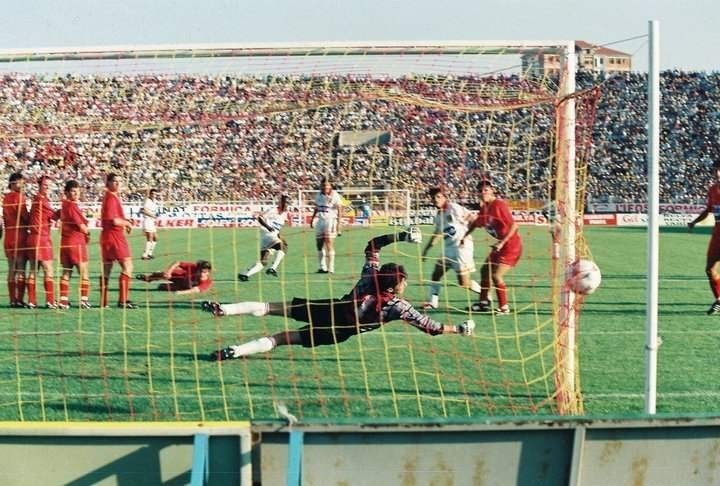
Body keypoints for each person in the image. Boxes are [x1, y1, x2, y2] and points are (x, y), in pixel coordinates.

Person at [203, 227, 475, 361]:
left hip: (331, 309)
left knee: (271, 307)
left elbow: (372, 245)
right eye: (404, 281)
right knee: (282, 338)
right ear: (394, 287)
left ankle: (224, 309)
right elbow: (431, 327)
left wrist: (402, 236)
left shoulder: (369, 277)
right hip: (340, 332)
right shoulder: (398, 306)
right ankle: (235, 351)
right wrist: (459, 329)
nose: (406, 284)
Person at [463, 178, 522, 315]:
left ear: (492, 191)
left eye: (486, 190)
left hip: (511, 246)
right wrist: (464, 236)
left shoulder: (499, 205)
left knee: (496, 275)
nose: (483, 192)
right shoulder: (485, 208)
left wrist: (501, 242)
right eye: (480, 190)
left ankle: (504, 307)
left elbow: (514, 225)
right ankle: (483, 303)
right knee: (485, 271)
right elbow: (476, 223)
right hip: (499, 246)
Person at [420, 186, 482, 310]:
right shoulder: (439, 216)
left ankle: (485, 294)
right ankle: (433, 302)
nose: (436, 200)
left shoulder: (454, 208)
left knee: (464, 283)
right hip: (448, 249)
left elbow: (473, 218)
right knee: (436, 274)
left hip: (461, 249)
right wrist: (426, 250)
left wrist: (466, 235)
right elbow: (437, 234)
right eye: (433, 198)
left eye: (438, 197)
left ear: (445, 197)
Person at [99, 173, 136, 309]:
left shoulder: (110, 197)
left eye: (119, 181)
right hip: (115, 236)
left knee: (107, 269)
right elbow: (114, 221)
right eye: (115, 181)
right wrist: (127, 223)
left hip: (106, 236)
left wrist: (125, 221)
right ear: (108, 183)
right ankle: (123, 301)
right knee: (128, 266)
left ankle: (104, 302)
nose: (118, 183)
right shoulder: (111, 198)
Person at [688, 162, 720, 314]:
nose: (718, 174)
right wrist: (694, 222)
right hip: (717, 234)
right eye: (716, 171)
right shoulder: (712, 190)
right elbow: (708, 210)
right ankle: (719, 299)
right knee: (709, 269)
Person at [26, 176, 61, 309]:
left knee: (33, 270)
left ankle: (31, 301)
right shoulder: (42, 200)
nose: (47, 187)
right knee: (48, 269)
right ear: (39, 185)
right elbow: (54, 215)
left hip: (33, 238)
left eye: (48, 185)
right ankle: (50, 301)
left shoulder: (37, 199)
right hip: (41, 238)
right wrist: (66, 207)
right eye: (45, 185)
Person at [238, 194, 289, 280]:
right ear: (280, 203)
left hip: (267, 238)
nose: (286, 205)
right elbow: (259, 218)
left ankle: (245, 274)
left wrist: (278, 234)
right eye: (284, 203)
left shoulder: (284, 214)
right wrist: (268, 227)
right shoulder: (273, 210)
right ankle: (273, 268)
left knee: (263, 262)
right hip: (268, 234)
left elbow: (278, 227)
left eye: (287, 203)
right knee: (284, 246)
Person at [58, 180, 91, 309]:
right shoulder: (72, 206)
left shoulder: (64, 205)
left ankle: (63, 300)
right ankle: (84, 300)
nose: (76, 194)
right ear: (67, 192)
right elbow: (82, 227)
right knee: (84, 272)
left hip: (65, 242)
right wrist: (87, 233)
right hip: (76, 242)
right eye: (73, 191)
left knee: (66, 271)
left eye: (78, 191)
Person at [2, 172, 30, 307]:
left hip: (8, 236)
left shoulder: (5, 198)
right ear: (13, 183)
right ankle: (19, 299)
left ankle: (12, 299)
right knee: (21, 268)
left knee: (11, 269)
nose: (22, 185)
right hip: (19, 235)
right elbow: (24, 216)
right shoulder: (19, 197)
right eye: (20, 183)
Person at [309, 178, 343, 274]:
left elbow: (340, 209)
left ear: (330, 186)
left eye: (327, 185)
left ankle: (331, 268)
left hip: (330, 220)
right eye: (323, 185)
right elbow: (316, 208)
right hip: (320, 221)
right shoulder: (318, 195)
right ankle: (322, 267)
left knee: (329, 243)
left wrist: (339, 224)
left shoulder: (335, 195)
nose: (325, 187)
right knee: (319, 244)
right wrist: (312, 219)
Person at [136, 260, 213, 295]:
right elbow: (177, 262)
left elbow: (196, 290)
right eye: (200, 271)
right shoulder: (193, 267)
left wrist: (182, 292)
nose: (202, 274)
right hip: (180, 276)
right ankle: (148, 278)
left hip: (182, 287)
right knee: (163, 274)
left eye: (205, 272)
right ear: (197, 269)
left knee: (162, 287)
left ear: (209, 272)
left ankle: (164, 285)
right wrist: (169, 271)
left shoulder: (208, 282)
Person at [141, 188, 160, 260]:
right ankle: (144, 255)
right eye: (153, 194)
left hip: (152, 221)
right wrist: (152, 215)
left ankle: (150, 253)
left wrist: (154, 215)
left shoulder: (154, 201)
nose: (154, 195)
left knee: (155, 238)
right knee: (150, 238)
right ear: (150, 194)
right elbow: (143, 210)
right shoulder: (147, 201)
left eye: (155, 194)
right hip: (147, 220)